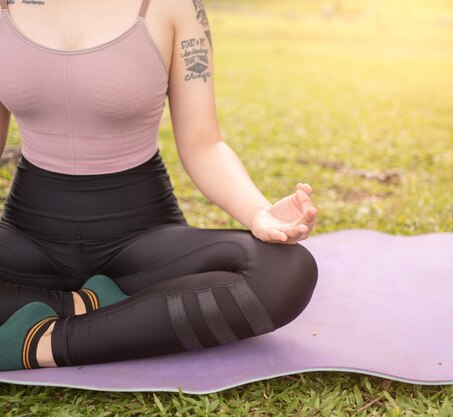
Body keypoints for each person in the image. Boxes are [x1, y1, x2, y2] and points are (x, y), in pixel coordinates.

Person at [0, 0, 318, 371]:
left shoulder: (174, 6)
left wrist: (258, 212)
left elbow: (203, 143)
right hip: (29, 238)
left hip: (142, 240)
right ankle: (93, 306)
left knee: (285, 272)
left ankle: (38, 345)